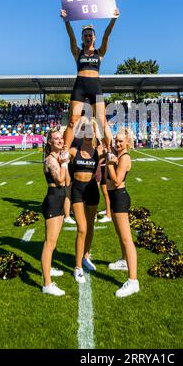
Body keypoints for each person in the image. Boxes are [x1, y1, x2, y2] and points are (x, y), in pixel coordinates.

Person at [60, 8, 119, 153]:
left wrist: (114, 18)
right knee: (73, 120)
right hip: (80, 85)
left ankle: (109, 150)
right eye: (85, 35)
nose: (88, 37)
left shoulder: (100, 52)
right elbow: (71, 37)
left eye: (90, 35)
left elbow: (107, 35)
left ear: (94, 37)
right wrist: (66, 21)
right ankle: (65, 151)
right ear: (83, 38)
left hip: (95, 86)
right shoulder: (77, 52)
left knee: (102, 121)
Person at [107, 129, 139, 298]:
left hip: (120, 197)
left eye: (120, 141)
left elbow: (117, 180)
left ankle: (133, 281)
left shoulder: (124, 157)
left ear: (127, 142)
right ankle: (124, 261)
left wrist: (111, 164)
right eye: (116, 141)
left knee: (127, 239)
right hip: (114, 197)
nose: (117, 144)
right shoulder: (117, 154)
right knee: (120, 234)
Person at [69, 119, 102, 283]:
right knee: (81, 228)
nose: (88, 136)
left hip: (92, 191)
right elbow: (67, 141)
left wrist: (97, 123)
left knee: (90, 226)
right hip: (77, 190)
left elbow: (109, 143)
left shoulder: (98, 151)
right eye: (86, 133)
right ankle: (77, 267)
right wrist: (78, 122)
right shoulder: (74, 151)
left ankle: (86, 256)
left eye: (91, 133)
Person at [41, 129, 70, 297]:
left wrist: (64, 162)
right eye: (56, 139)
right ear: (50, 142)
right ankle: (47, 284)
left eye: (60, 138)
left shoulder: (57, 158)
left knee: (53, 242)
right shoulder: (50, 160)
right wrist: (64, 163)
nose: (59, 141)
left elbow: (66, 181)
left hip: (59, 200)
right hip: (52, 201)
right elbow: (60, 180)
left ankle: (49, 269)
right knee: (49, 243)